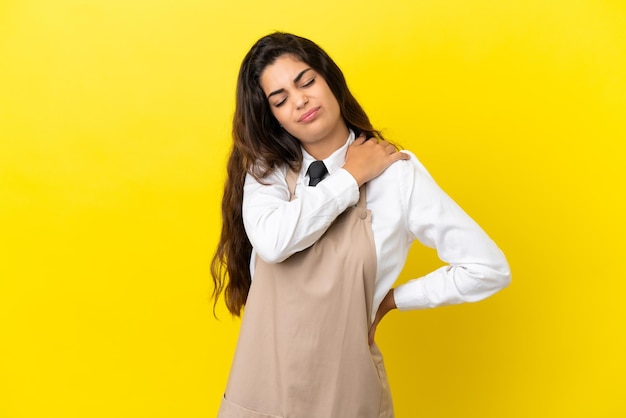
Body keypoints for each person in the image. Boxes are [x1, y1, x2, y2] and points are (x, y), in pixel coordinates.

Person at [211, 32, 511, 418]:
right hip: (259, 394)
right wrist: (351, 177)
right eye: (281, 99)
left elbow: (488, 268)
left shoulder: (396, 175)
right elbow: (273, 242)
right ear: (273, 117)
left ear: (331, 80)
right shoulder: (265, 174)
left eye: (306, 81)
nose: (300, 100)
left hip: (346, 396)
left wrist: (394, 300)